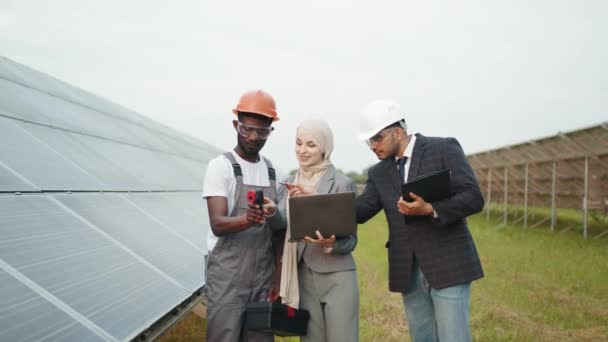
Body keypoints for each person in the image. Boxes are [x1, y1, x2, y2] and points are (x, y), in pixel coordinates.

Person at [289, 100, 484, 342]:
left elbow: (473, 197)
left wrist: (431, 208)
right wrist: (318, 201)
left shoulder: (443, 149)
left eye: (377, 138)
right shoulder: (380, 172)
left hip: (448, 265)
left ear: (398, 131)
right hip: (409, 272)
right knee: (422, 337)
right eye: (368, 141)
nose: (372, 146)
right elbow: (358, 211)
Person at [202, 89, 286, 342]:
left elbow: (280, 231)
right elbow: (217, 223)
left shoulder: (274, 173)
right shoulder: (221, 167)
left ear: (271, 130)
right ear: (235, 124)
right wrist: (247, 220)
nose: (253, 136)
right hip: (227, 277)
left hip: (263, 278)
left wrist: (278, 280)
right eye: (246, 128)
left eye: (262, 131)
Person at [278, 119, 359, 342]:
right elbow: (281, 225)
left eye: (311, 145)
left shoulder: (342, 184)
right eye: (299, 143)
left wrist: (331, 243)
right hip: (303, 277)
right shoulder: (288, 184)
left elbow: (351, 240)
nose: (302, 150)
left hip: (337, 277)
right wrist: (270, 212)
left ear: (324, 148)